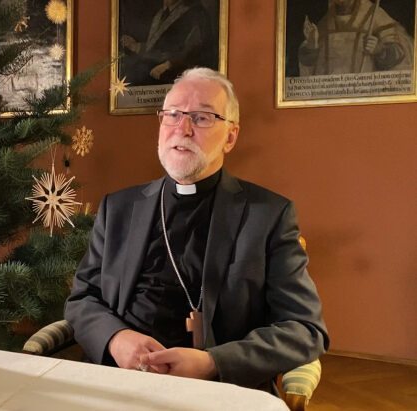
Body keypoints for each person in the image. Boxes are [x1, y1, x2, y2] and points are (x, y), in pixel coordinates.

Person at [64, 67, 329, 392]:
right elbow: (83, 298)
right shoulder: (118, 208)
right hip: (120, 379)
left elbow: (305, 329)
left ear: (230, 137)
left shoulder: (269, 215)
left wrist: (213, 363)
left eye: (202, 118)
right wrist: (116, 339)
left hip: (218, 389)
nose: (183, 129)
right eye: (173, 115)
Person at [299, 0, 414, 75]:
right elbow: (309, 65)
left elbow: (400, 51)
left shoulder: (373, 14)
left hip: (364, 90)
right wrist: (311, 46)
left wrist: (379, 50)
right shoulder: (325, 23)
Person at [120, 0, 216, 86]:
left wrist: (169, 64)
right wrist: (136, 46)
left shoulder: (196, 13)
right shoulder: (160, 14)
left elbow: (196, 50)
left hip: (177, 80)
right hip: (151, 80)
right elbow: (160, 48)